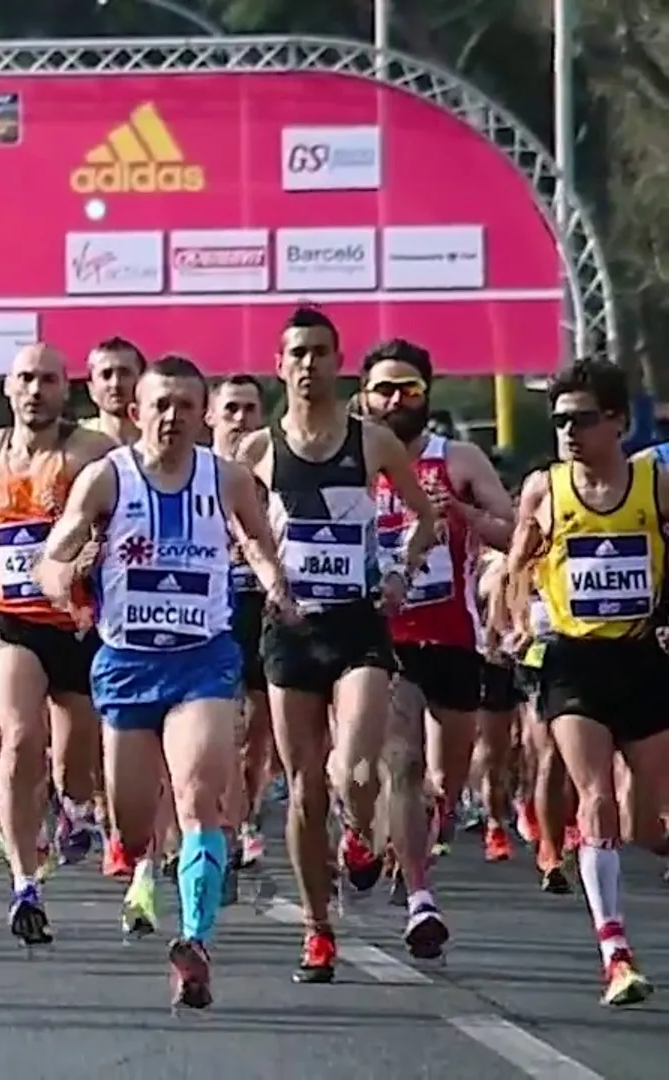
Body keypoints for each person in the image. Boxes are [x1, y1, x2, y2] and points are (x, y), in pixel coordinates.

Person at [34, 354, 294, 1009]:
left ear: (202, 412)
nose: (173, 416)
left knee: (198, 793)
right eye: (160, 404)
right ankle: (136, 853)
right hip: (126, 664)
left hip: (201, 659)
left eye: (186, 404)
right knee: (128, 820)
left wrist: (276, 588)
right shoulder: (106, 478)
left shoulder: (226, 478)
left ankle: (196, 941)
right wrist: (61, 581)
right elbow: (52, 555)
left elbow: (260, 544)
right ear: (135, 412)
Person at [235, 306, 442, 983]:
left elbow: (425, 514)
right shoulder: (258, 450)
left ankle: (359, 833)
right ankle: (317, 929)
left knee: (353, 770)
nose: (307, 364)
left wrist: (400, 573)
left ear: (337, 362)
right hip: (292, 627)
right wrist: (269, 576)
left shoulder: (372, 441)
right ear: (279, 364)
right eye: (296, 353)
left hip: (356, 621)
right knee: (302, 790)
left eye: (320, 353)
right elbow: (238, 526)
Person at [494, 357, 663, 1007]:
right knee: (595, 798)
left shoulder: (653, 483)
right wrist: (512, 628)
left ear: (617, 421)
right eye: (559, 419)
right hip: (573, 660)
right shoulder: (546, 488)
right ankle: (614, 951)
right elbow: (517, 563)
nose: (568, 431)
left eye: (582, 419)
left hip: (643, 658)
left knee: (648, 821)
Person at [0, 343, 117, 940]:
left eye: (49, 379)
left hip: (76, 622)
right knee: (19, 736)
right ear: (7, 387)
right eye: (26, 378)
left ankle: (73, 809)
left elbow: (118, 520)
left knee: (76, 767)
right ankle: (24, 883)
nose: (36, 389)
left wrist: (84, 560)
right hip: (11, 620)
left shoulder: (93, 452)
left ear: (64, 389)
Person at [359, 339, 514, 953]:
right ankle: (421, 899)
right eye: (384, 390)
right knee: (401, 762)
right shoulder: (353, 460)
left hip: (452, 638)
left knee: (446, 779)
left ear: (428, 394)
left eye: (409, 389)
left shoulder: (460, 458)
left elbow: (513, 532)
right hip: (382, 640)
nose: (397, 400)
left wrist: (466, 517)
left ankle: (417, 839)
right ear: (365, 398)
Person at [208, 375, 272, 872]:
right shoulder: (191, 470)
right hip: (204, 612)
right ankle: (217, 822)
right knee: (216, 724)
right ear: (210, 416)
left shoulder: (272, 472)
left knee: (255, 730)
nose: (240, 419)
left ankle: (243, 813)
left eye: (249, 410)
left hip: (260, 606)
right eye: (230, 409)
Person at [80, 337, 144, 446]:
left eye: (125, 373)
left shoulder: (158, 438)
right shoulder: (76, 442)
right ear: (91, 388)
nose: (115, 383)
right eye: (106, 375)